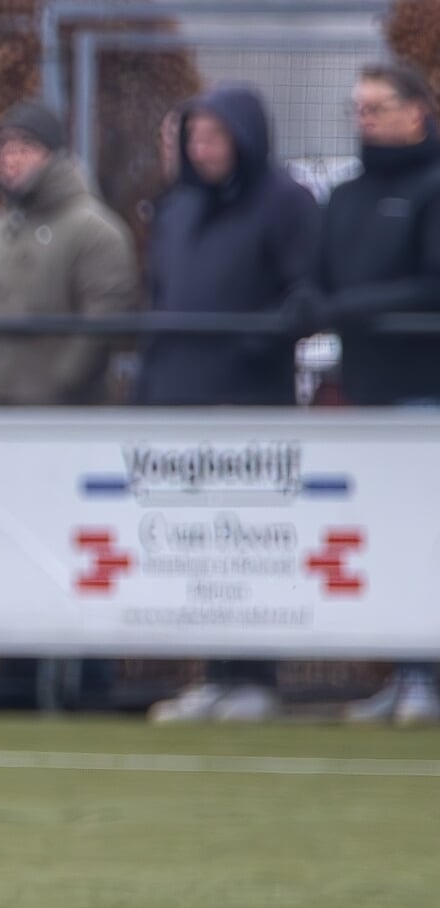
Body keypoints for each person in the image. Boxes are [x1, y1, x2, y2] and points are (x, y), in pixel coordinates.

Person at [134, 85, 320, 724]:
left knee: (248, 543)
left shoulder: (285, 203)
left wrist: (253, 344)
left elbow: (304, 297)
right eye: (194, 137)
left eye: (213, 136)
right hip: (177, 404)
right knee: (199, 549)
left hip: (249, 401)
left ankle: (255, 677)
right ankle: (214, 674)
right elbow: (160, 301)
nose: (201, 149)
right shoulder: (178, 210)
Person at [291, 62, 440, 726]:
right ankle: (408, 673)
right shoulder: (346, 197)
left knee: (428, 536)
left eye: (378, 106)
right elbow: (319, 279)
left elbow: (430, 286)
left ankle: (427, 678)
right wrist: (306, 307)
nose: (366, 119)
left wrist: (348, 306)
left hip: (425, 395)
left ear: (417, 112)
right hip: (368, 393)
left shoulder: (433, 188)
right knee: (391, 538)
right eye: (357, 108)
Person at [0, 102, 139, 405]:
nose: (12, 160)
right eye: (6, 149)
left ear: (54, 157)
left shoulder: (94, 230)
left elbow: (104, 321)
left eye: (26, 149)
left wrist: (62, 383)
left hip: (64, 418)